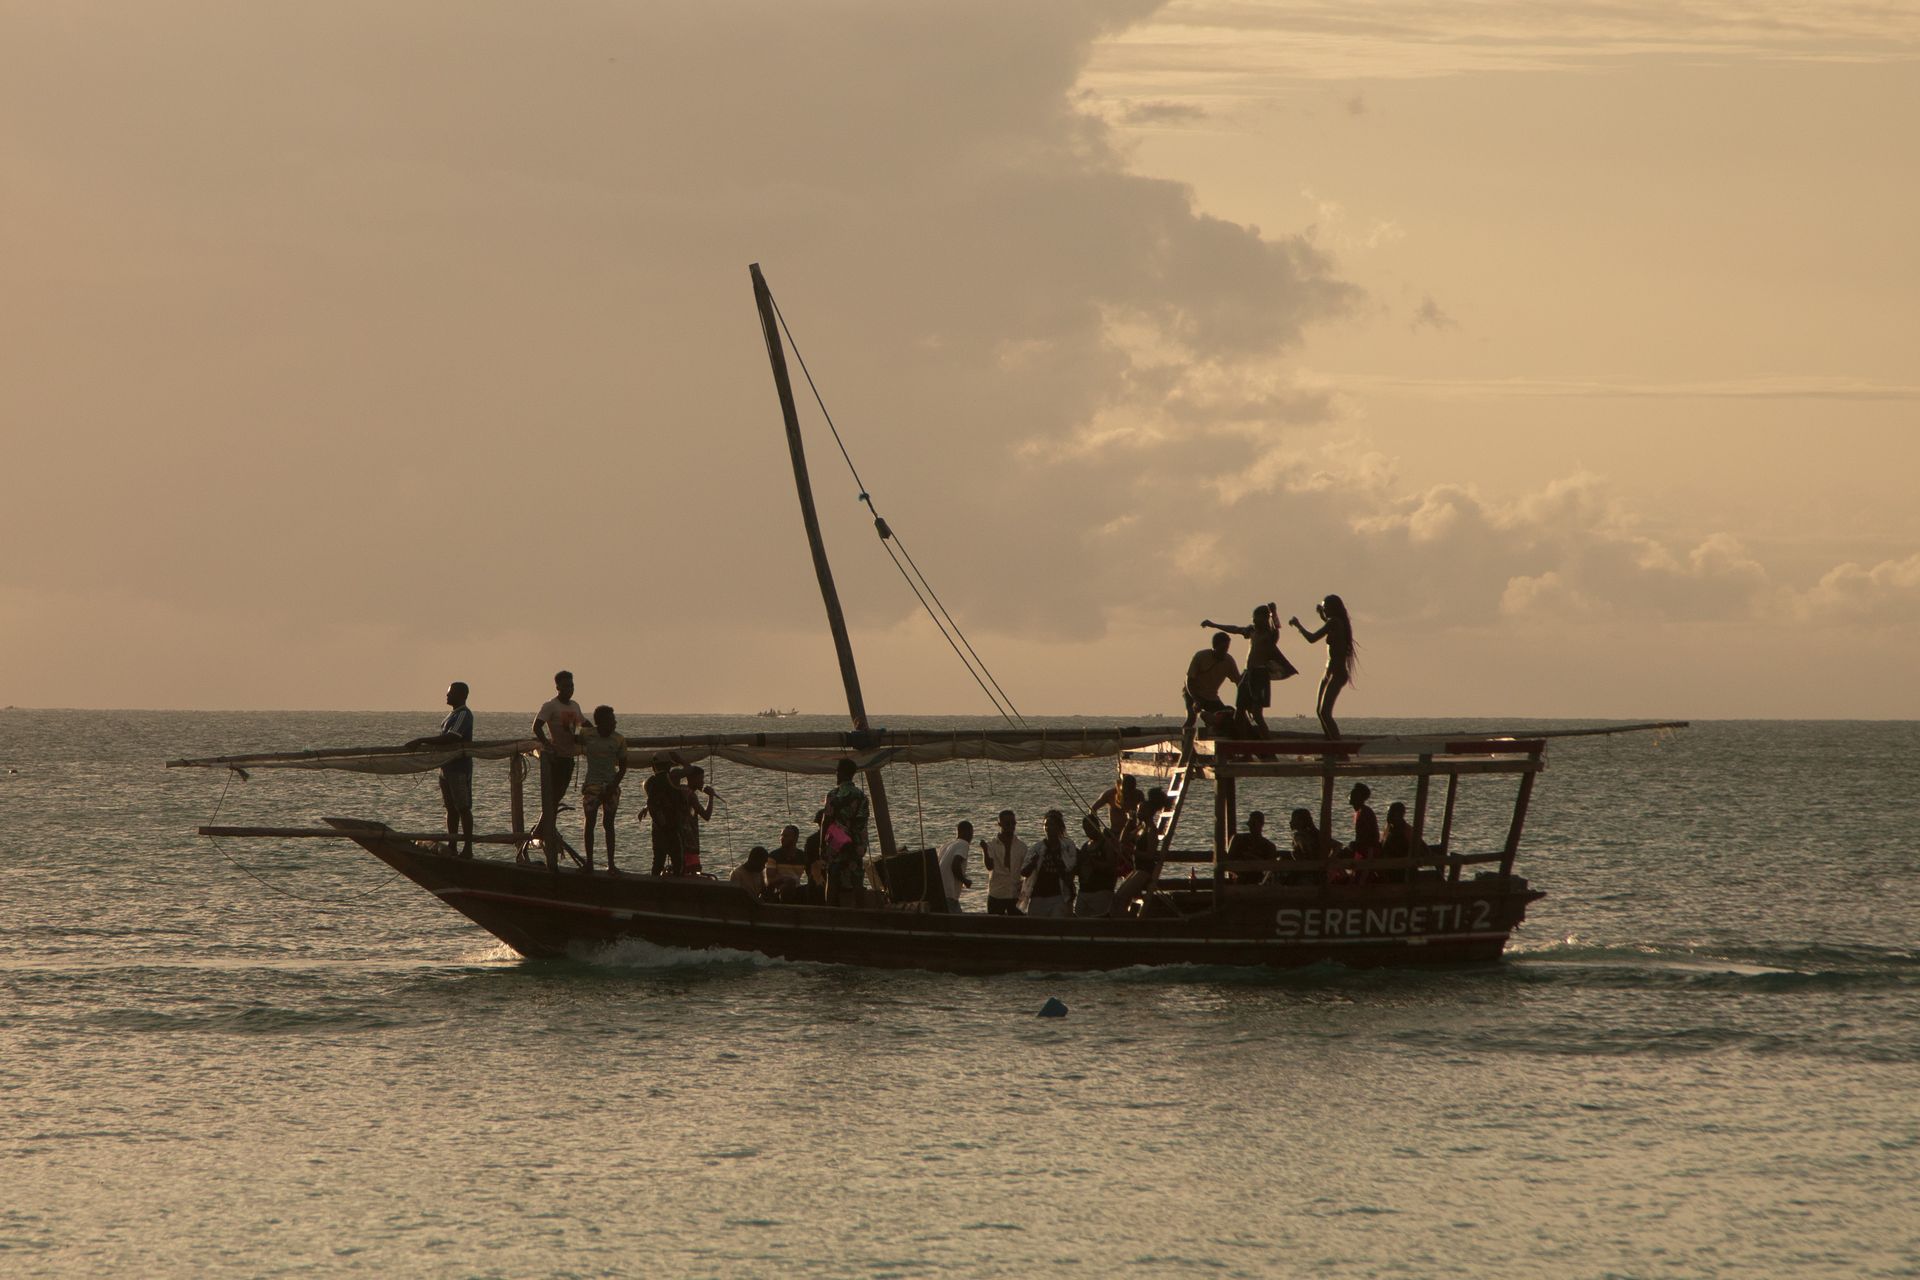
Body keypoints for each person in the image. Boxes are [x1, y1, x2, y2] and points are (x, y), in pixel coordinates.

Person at [1202, 605, 1297, 738]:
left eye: (1256, 619)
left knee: (1257, 715)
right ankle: (1244, 748)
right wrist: (1213, 625)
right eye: (1253, 619)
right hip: (1247, 674)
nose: (1254, 621)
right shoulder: (1251, 631)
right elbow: (1234, 629)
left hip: (1260, 675)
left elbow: (1277, 630)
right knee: (1239, 714)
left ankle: (1269, 748)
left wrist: (1274, 613)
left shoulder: (1269, 635)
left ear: (1264, 619)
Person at [405, 681, 474, 858]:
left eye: (450, 693)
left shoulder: (463, 715)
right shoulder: (452, 715)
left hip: (458, 767)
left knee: (463, 807)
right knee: (450, 808)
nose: (447, 696)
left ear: (461, 695)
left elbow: (452, 737)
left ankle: (467, 848)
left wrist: (422, 740)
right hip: (445, 767)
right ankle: (452, 844)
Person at [531, 670, 588, 869]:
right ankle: (543, 829)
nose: (569, 689)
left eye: (571, 686)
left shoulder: (575, 706)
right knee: (552, 797)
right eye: (565, 686)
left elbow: (584, 724)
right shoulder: (550, 706)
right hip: (554, 758)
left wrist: (600, 733)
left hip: (568, 758)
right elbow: (536, 727)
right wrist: (547, 744)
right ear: (557, 687)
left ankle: (543, 828)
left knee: (556, 797)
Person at [1290, 594, 1357, 740]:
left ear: (1333, 608)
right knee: (1320, 712)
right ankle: (1331, 749)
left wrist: (1298, 625)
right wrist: (1321, 614)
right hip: (1328, 672)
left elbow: (1312, 638)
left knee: (1325, 713)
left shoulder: (1335, 622)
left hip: (1337, 673)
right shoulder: (1334, 622)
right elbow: (1327, 622)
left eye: (1326, 607)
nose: (1324, 609)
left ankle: (1340, 752)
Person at [578, 705, 628, 873]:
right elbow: (573, 736)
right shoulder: (588, 734)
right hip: (592, 785)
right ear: (600, 722)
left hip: (611, 785)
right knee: (589, 823)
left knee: (609, 824)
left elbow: (622, 768)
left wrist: (612, 787)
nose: (614, 722)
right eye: (611, 720)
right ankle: (589, 862)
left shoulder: (619, 740)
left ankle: (611, 864)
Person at [820, 759, 871, 908]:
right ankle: (860, 911)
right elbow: (862, 821)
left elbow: (826, 821)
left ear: (841, 772)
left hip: (837, 843)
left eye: (837, 771)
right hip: (855, 842)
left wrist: (822, 845)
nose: (836, 774)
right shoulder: (862, 796)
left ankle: (830, 912)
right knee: (857, 878)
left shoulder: (834, 794)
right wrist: (859, 843)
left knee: (833, 877)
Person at [1182, 631, 1241, 739]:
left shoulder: (1228, 661)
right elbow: (1189, 680)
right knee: (1191, 718)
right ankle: (1184, 743)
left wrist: (1243, 703)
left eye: (1227, 648)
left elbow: (1239, 682)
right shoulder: (1201, 656)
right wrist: (1196, 699)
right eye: (1222, 649)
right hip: (1193, 692)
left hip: (1211, 696)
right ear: (1215, 647)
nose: (1224, 651)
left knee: (1222, 718)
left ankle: (1213, 735)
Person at [1021, 809, 1079, 918]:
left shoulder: (1067, 847)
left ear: (1059, 827)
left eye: (1051, 825)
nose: (1048, 828)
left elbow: (1072, 868)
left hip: (1059, 896)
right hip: (1038, 896)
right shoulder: (1037, 848)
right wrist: (1033, 863)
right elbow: (1024, 872)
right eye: (1045, 825)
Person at [640, 754, 689, 875]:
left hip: (658, 828)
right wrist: (680, 759)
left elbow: (655, 800)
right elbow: (690, 769)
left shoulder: (648, 783)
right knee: (678, 863)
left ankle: (654, 889)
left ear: (653, 767)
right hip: (673, 827)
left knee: (658, 862)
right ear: (668, 765)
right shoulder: (672, 777)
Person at [980, 809, 1026, 916]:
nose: (1011, 826)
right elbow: (989, 866)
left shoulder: (1021, 846)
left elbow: (1025, 871)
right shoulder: (991, 845)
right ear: (999, 824)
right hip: (997, 894)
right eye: (1007, 823)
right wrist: (985, 851)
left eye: (1013, 823)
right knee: (994, 928)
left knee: (1016, 929)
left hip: (1015, 894)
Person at [1075, 815, 1120, 918]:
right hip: (1084, 891)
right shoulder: (1085, 846)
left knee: (1098, 920)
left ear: (1097, 825)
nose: (1088, 831)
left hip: (1101, 891)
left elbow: (1111, 866)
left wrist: (1093, 862)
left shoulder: (1106, 843)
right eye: (1085, 829)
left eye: (1090, 827)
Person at [1225, 809, 1279, 884]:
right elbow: (1228, 862)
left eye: (1254, 823)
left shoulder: (1269, 845)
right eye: (1250, 823)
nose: (1250, 826)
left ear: (1261, 824)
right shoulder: (1238, 839)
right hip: (1240, 878)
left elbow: (1271, 870)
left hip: (1260, 881)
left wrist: (1255, 860)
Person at [679, 764, 715, 875]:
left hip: (681, 839)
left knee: (683, 869)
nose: (702, 783)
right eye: (700, 779)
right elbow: (706, 816)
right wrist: (711, 796)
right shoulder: (691, 795)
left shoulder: (682, 790)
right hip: (689, 841)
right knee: (693, 870)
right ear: (692, 779)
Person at [1088, 774, 1144, 844]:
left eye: (1131, 790)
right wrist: (1097, 829)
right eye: (1125, 790)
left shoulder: (1138, 795)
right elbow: (1093, 809)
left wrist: (1137, 829)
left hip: (1131, 833)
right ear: (1121, 786)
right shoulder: (1110, 794)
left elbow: (1144, 816)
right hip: (1114, 833)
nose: (1128, 793)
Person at [938, 821, 974, 913]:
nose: (971, 837)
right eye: (971, 833)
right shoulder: (963, 844)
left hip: (940, 891)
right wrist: (965, 881)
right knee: (958, 923)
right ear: (964, 832)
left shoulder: (946, 845)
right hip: (949, 893)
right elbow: (955, 865)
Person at [768, 824, 808, 893]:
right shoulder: (773, 855)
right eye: (781, 835)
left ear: (796, 838)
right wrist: (785, 879)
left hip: (797, 889)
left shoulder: (802, 856)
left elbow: (812, 875)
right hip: (779, 890)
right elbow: (769, 879)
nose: (782, 838)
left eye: (786, 836)